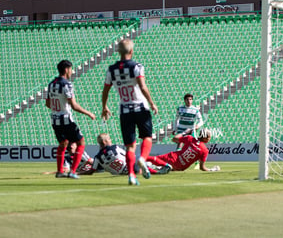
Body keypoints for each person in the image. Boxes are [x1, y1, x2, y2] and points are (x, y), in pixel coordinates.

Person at [101, 39, 158, 185]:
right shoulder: (137, 66)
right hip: (140, 107)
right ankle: (143, 158)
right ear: (131, 51)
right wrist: (152, 102)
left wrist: (104, 106)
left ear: (119, 51)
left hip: (124, 111)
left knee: (130, 146)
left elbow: (105, 90)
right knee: (147, 137)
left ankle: (131, 175)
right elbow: (143, 86)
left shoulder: (111, 69)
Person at [46, 60, 96, 179]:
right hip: (66, 119)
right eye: (71, 69)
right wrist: (89, 113)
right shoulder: (67, 84)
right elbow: (74, 106)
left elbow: (48, 104)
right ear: (67, 69)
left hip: (55, 119)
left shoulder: (51, 84)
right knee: (81, 142)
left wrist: (58, 109)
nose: (72, 72)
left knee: (63, 144)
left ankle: (59, 171)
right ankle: (73, 171)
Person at [146, 128, 220, 174]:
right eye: (209, 136)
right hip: (180, 167)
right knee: (157, 166)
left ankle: (140, 159)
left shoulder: (190, 138)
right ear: (205, 138)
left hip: (173, 157)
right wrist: (212, 170)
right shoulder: (204, 150)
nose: (210, 138)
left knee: (152, 160)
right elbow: (202, 168)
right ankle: (155, 167)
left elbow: (174, 139)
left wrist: (185, 132)